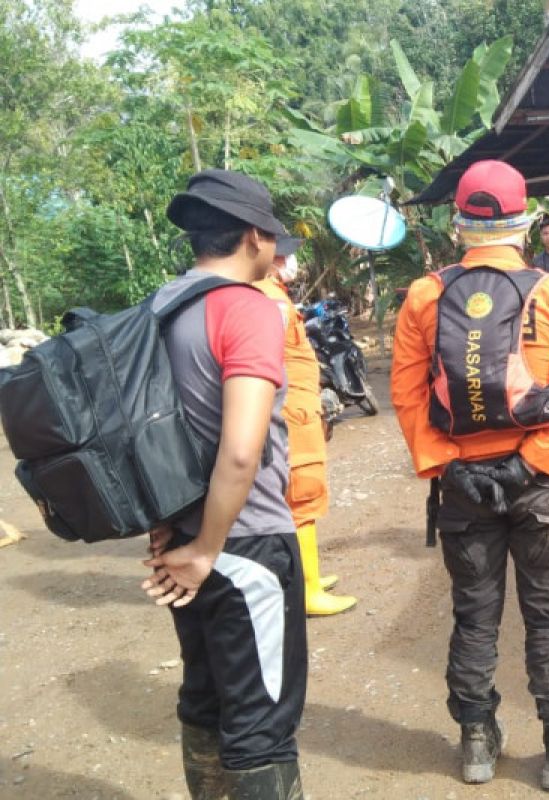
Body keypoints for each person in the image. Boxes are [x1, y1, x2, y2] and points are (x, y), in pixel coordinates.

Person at [390, 159, 549, 792]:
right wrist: (529, 464)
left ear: (458, 225)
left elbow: (407, 395)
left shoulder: (425, 295)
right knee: (548, 613)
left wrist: (449, 466)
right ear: (524, 224)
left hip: (462, 484)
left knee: (474, 614)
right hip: (540, 485)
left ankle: (478, 745)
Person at [142, 169, 307, 798]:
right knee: (261, 721)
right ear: (252, 238)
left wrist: (176, 538)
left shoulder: (162, 306)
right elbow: (240, 453)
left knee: (206, 697)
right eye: (271, 235)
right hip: (243, 545)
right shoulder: (246, 310)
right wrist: (209, 549)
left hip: (181, 538)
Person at [254, 237, 358, 616]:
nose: (293, 259)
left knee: (301, 497)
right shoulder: (268, 298)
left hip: (297, 410)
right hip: (290, 414)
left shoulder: (272, 294)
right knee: (301, 495)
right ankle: (306, 590)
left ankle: (306, 575)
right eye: (288, 252)